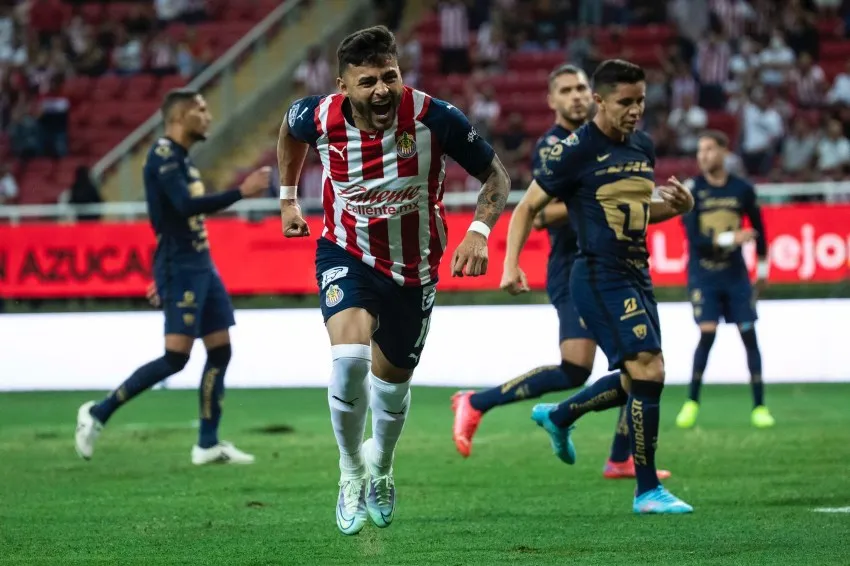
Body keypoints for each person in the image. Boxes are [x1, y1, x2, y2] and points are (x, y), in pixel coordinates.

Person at [276, 25, 510, 535]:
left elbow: (497, 175)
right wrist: (288, 198)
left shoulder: (435, 117)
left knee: (391, 384)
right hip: (345, 251)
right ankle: (351, 471)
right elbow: (290, 131)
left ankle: (380, 467)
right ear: (343, 87)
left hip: (414, 269)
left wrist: (478, 231)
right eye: (367, 82)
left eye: (390, 77)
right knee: (349, 360)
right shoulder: (317, 114)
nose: (381, 90)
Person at [451, 63, 671, 480]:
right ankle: (478, 402)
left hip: (617, 264)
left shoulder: (619, 143)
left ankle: (620, 454)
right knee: (592, 366)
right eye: (566, 90)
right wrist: (590, 200)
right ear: (551, 100)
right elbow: (538, 213)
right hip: (575, 267)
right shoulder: (556, 147)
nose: (576, 96)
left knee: (625, 364)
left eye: (581, 88)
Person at [500, 59, 695, 514]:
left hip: (636, 272)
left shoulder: (643, 147)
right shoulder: (574, 150)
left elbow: (639, 213)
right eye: (625, 102)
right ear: (600, 101)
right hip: (596, 275)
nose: (635, 110)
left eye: (641, 100)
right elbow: (528, 208)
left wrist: (678, 207)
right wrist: (510, 266)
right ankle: (646, 491)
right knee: (649, 370)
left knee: (639, 376)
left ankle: (561, 414)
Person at [74, 89, 271, 465]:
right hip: (180, 264)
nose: (208, 116)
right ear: (179, 118)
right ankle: (96, 414)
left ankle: (207, 443)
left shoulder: (182, 159)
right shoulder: (163, 155)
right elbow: (182, 207)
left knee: (220, 350)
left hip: (200, 266)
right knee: (176, 358)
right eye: (201, 110)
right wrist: (239, 193)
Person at [675, 131, 774, 429]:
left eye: (709, 149)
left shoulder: (742, 189)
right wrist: (733, 237)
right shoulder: (692, 190)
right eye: (699, 150)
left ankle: (759, 407)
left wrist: (763, 269)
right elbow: (695, 240)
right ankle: (691, 401)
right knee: (707, 333)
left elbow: (759, 229)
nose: (702, 155)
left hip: (735, 277)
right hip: (704, 275)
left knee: (748, 334)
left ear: (724, 151)